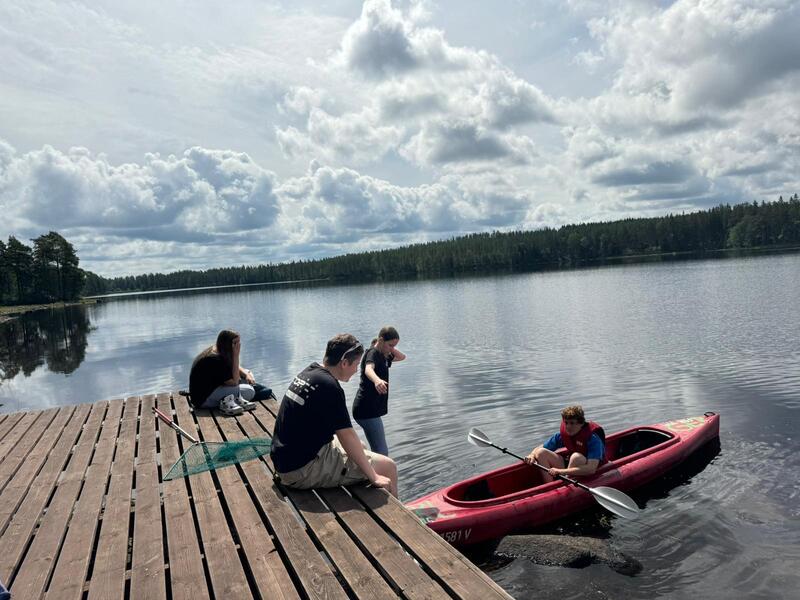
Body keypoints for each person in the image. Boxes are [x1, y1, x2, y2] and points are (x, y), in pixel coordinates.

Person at [270, 333, 398, 496]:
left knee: (362, 447)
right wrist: (374, 477)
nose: (356, 370)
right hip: (300, 471)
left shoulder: (309, 372)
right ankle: (402, 520)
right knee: (388, 466)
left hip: (285, 459)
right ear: (344, 363)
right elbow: (347, 436)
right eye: (356, 364)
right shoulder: (330, 387)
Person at [352, 326, 406, 456]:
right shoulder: (373, 354)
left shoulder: (384, 355)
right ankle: (374, 474)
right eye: (390, 345)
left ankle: (369, 470)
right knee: (382, 452)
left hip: (370, 410)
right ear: (381, 340)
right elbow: (368, 369)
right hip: (366, 410)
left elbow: (402, 357)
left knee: (379, 450)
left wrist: (391, 347)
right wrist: (377, 380)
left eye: (394, 346)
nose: (391, 348)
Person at [189, 329, 262, 416]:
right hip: (204, 400)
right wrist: (236, 355)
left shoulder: (217, 350)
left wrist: (246, 375)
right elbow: (235, 382)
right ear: (227, 344)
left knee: (247, 372)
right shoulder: (215, 359)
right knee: (250, 391)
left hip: (213, 389)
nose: (238, 345)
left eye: (239, 342)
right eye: (235, 343)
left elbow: (235, 368)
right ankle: (250, 393)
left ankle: (250, 390)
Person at [524, 405, 606, 482]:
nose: (568, 427)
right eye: (566, 423)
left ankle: (565, 483)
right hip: (570, 466)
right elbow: (541, 447)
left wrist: (562, 471)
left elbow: (591, 469)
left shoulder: (592, 439)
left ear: (581, 423)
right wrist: (532, 455)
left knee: (576, 457)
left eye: (572, 423)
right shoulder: (563, 435)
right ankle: (550, 486)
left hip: (588, 467)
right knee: (540, 452)